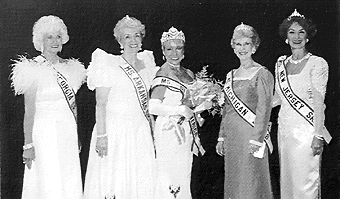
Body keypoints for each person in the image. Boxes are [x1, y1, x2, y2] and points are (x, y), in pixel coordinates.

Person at [10, 15, 85, 199]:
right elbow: (29, 112)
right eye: (49, 37)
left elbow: (73, 107)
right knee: (47, 179)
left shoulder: (71, 68)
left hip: (67, 130)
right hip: (44, 132)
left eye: (58, 36)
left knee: (68, 178)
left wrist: (76, 135)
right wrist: (28, 144)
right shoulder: (32, 69)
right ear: (40, 41)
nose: (55, 41)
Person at [83, 15, 158, 199]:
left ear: (142, 38)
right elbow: (100, 103)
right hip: (114, 130)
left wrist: (154, 132)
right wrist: (101, 135)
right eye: (127, 37)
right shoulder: (108, 63)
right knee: (113, 181)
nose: (133, 40)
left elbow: (148, 103)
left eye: (136, 36)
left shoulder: (148, 63)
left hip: (140, 129)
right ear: (120, 41)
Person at [273, 9, 332, 198]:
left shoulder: (317, 63)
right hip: (285, 131)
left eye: (301, 32)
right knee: (288, 182)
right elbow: (277, 98)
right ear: (286, 36)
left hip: (306, 133)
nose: (296, 37)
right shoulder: (280, 63)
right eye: (292, 32)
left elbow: (319, 102)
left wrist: (318, 135)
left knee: (306, 183)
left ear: (308, 35)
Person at [216, 22, 274, 198]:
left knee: (251, 180)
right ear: (233, 46)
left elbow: (264, 110)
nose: (242, 48)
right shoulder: (230, 75)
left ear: (254, 46)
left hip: (251, 137)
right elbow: (227, 109)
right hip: (233, 138)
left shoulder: (262, 73)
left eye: (246, 44)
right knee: (235, 181)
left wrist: (257, 140)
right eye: (238, 44)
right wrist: (221, 137)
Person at [149, 26, 206, 199]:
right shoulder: (162, 73)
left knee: (184, 174)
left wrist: (204, 105)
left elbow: (195, 99)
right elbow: (152, 106)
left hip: (186, 131)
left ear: (184, 50)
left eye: (179, 48)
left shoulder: (188, 73)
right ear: (163, 51)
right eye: (169, 49)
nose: (174, 53)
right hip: (169, 131)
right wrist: (178, 110)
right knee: (169, 177)